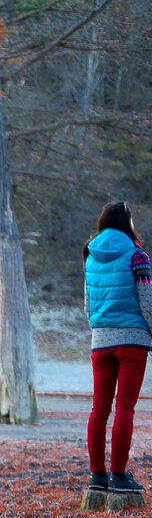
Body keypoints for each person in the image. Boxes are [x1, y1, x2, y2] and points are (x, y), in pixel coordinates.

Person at [84, 201, 151, 493]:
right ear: (127, 222)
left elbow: (87, 305)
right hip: (132, 341)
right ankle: (120, 476)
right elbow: (147, 301)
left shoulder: (90, 255)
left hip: (100, 341)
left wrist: (100, 328)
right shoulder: (138, 256)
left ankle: (97, 476)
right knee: (125, 407)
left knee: (99, 408)